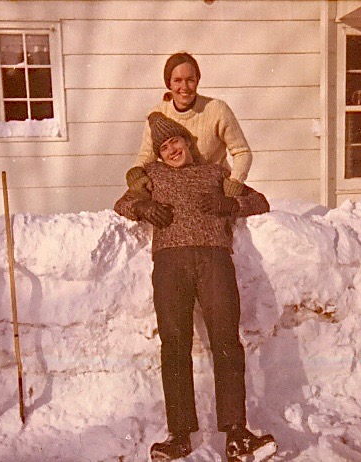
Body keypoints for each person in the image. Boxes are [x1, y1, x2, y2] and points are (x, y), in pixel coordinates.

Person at [114, 112, 277, 462]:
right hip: (170, 265)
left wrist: (229, 203)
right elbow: (122, 204)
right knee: (174, 346)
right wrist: (142, 205)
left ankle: (236, 432)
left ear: (188, 142)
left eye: (175, 141)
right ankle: (180, 435)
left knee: (226, 342)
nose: (171, 149)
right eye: (163, 147)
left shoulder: (216, 173)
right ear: (157, 155)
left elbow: (259, 201)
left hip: (214, 261)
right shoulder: (152, 176)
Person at [128, 52, 253, 198]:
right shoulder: (159, 113)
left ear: (198, 80)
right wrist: (136, 173)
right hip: (178, 189)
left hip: (215, 190)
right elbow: (146, 155)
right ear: (169, 83)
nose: (184, 87)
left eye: (190, 80)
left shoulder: (217, 109)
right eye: (177, 80)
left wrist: (235, 181)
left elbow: (242, 152)